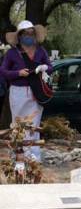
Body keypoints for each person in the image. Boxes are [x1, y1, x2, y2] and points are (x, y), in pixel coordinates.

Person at [0, 20, 52, 162]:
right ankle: (17, 156)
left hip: (36, 92)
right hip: (17, 93)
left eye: (31, 33)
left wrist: (44, 68)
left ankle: (33, 158)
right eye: (26, 33)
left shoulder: (41, 51)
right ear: (20, 36)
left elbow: (50, 67)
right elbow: (3, 71)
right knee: (18, 125)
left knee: (33, 126)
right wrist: (18, 73)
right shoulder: (12, 53)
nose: (29, 36)